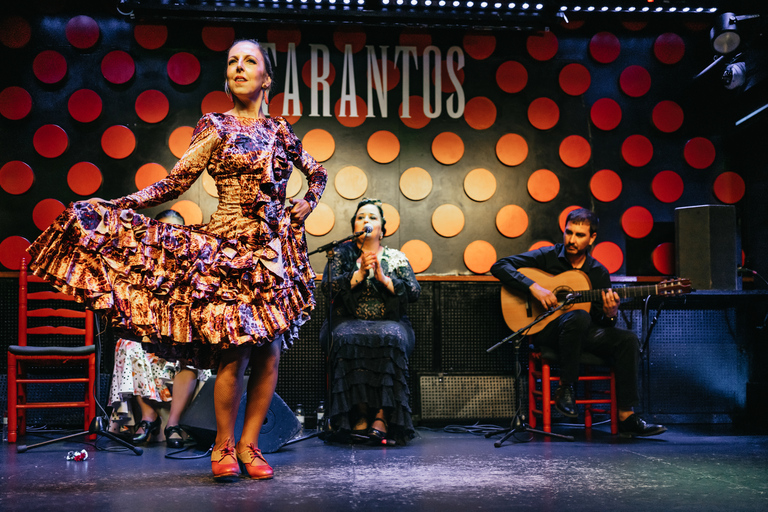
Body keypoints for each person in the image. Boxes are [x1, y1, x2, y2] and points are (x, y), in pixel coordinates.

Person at [26, 39, 327, 480]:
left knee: (270, 355)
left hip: (275, 253)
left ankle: (250, 446)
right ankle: (223, 446)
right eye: (232, 62)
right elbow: (173, 183)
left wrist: (308, 200)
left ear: (268, 77)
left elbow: (317, 172)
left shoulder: (281, 131)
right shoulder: (215, 126)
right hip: (230, 250)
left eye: (249, 62)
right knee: (236, 354)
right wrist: (116, 203)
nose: (239, 68)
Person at [490, 208, 666, 438]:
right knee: (578, 317)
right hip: (547, 331)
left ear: (592, 238)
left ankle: (626, 415)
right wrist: (534, 287)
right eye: (569, 232)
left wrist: (610, 313)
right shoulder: (547, 257)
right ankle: (566, 387)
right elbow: (499, 266)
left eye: (580, 235)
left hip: (584, 333)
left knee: (628, 339)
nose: (572, 240)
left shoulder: (598, 273)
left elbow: (604, 323)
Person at [319, 198, 421, 446]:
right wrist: (359, 274)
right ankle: (360, 414)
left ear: (382, 230)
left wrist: (384, 278)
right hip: (346, 322)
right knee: (345, 337)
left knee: (392, 336)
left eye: (372, 217)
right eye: (361, 217)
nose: (366, 221)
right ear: (354, 225)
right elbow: (327, 288)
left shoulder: (396, 257)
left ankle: (383, 416)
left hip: (392, 322)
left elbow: (414, 292)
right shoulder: (340, 255)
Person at [108, 209, 211, 449]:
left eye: (175, 229)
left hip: (183, 336)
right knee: (130, 345)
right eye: (164, 229)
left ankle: (172, 424)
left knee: (191, 355)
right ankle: (148, 417)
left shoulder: (194, 263)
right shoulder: (143, 264)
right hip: (152, 335)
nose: (170, 235)